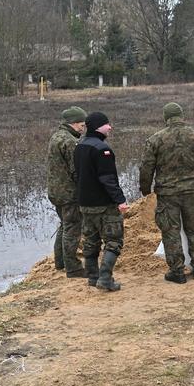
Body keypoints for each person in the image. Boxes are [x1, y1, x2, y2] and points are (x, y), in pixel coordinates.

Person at [139, 103, 194, 284]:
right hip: (191, 192)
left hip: (167, 194)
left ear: (166, 117)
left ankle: (177, 271)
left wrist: (146, 190)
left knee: (171, 232)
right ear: (181, 115)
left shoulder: (156, 139)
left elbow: (146, 168)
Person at [74, 112, 128, 291]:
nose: (110, 127)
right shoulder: (102, 149)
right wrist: (120, 200)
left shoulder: (80, 146)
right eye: (107, 124)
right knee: (114, 240)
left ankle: (92, 277)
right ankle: (105, 279)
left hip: (85, 204)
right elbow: (108, 179)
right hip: (103, 205)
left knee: (90, 240)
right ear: (98, 126)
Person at [47, 106, 87, 278]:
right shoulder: (70, 141)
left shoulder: (56, 136)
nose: (83, 128)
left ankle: (60, 262)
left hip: (56, 192)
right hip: (69, 193)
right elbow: (75, 170)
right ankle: (73, 268)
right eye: (81, 124)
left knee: (65, 225)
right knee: (72, 227)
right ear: (73, 123)